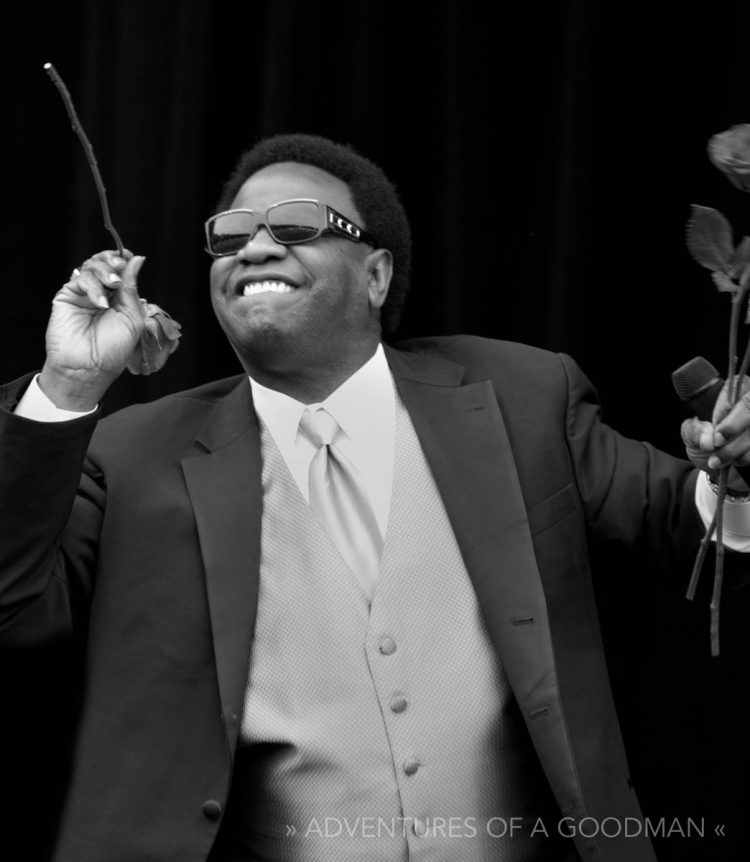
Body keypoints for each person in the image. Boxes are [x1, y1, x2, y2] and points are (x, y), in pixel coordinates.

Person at [1, 133, 749, 862]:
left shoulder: (522, 398)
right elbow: (14, 608)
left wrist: (737, 485)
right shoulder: (132, 456)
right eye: (230, 235)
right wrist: (68, 384)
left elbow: (687, 527)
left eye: (294, 225)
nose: (254, 249)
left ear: (377, 275)